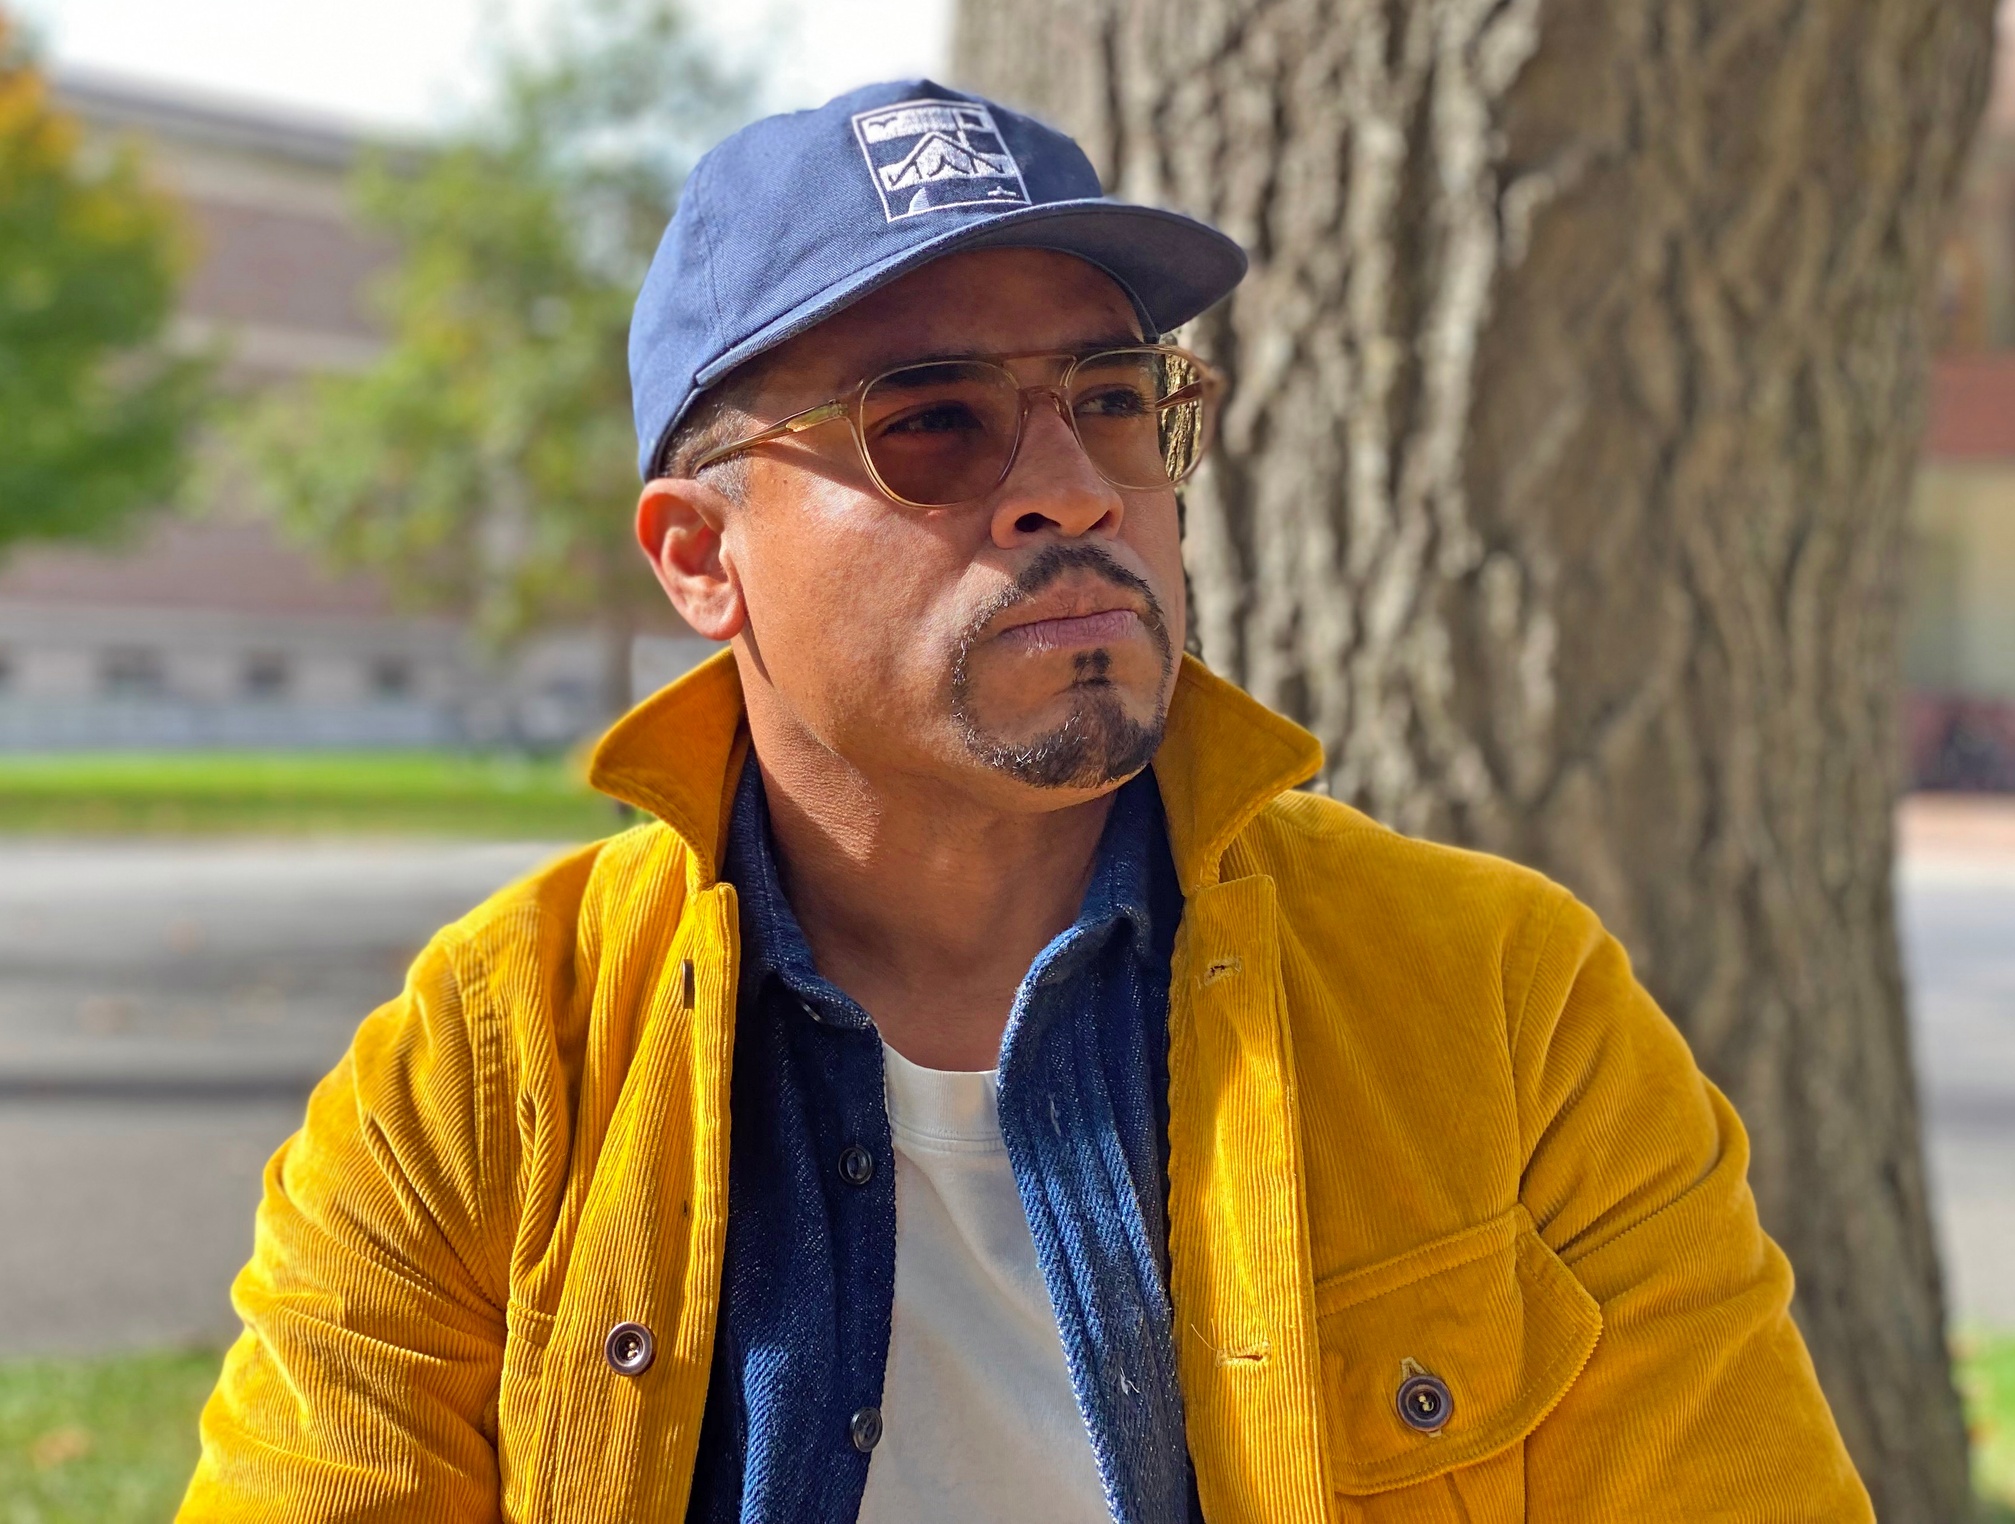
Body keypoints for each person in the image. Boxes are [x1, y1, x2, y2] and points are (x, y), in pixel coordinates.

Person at [179, 80, 1872, 1523]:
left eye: (1114, 402)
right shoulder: (488, 1072)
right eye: (931, 424)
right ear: (704, 558)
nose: (1070, 490)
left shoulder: (1500, 1007)